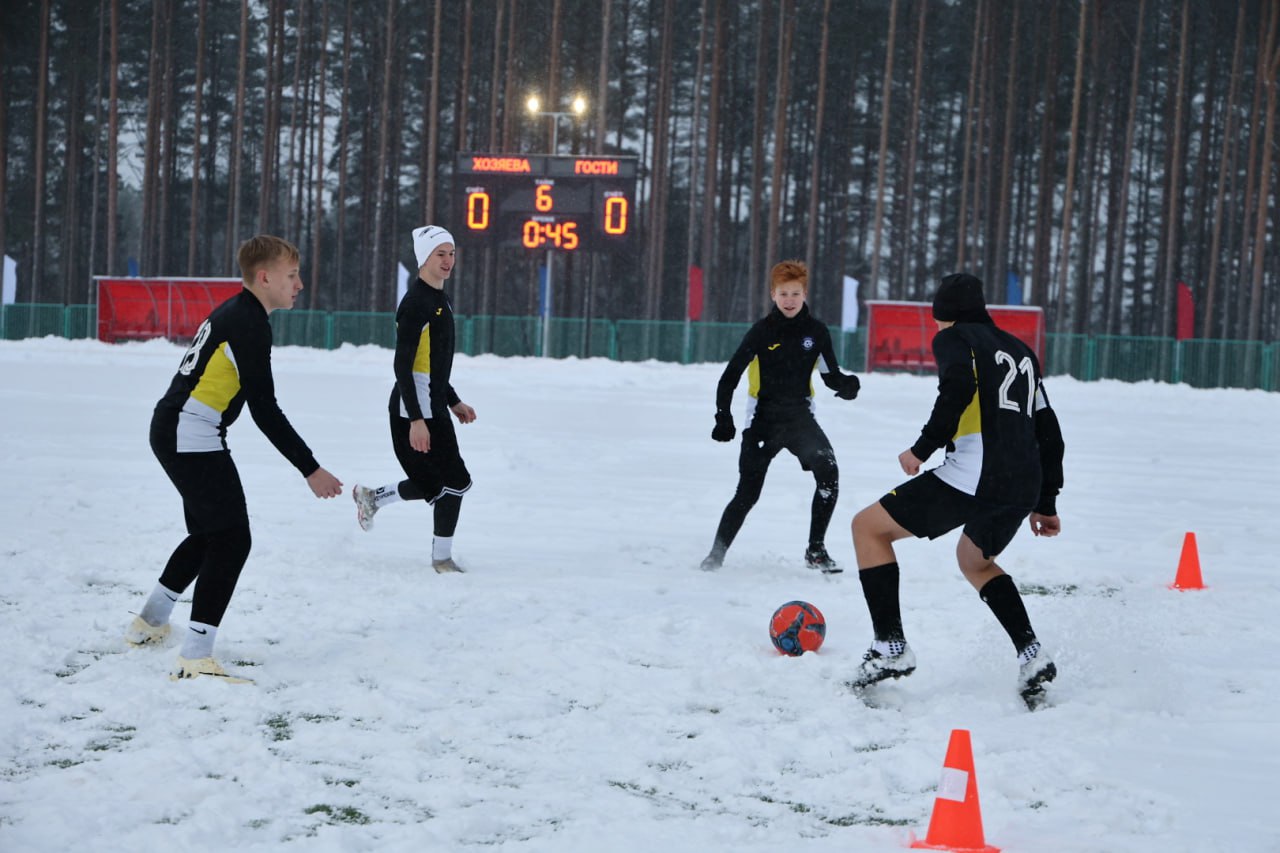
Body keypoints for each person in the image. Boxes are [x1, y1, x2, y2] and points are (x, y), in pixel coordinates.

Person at [125, 235, 344, 683]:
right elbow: (265, 409)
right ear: (263, 278)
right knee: (232, 539)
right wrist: (311, 468)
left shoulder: (242, 313)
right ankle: (195, 656)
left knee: (211, 534)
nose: (300, 284)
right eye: (291, 276)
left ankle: (149, 622)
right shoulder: (247, 322)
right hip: (188, 433)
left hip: (178, 428)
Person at [847, 273, 1065, 709]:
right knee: (975, 561)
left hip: (978, 472)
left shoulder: (955, 338)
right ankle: (1031, 654)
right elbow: (1049, 429)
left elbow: (959, 387)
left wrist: (922, 448)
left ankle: (890, 647)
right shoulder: (1021, 350)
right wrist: (1046, 500)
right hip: (1023, 479)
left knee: (867, 529)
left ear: (945, 316)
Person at [700, 260, 862, 573]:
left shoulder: (816, 332)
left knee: (828, 472)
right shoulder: (761, 332)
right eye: (784, 293)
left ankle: (815, 550)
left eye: (796, 293)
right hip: (763, 420)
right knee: (747, 494)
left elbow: (830, 374)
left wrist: (847, 386)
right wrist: (724, 417)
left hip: (800, 419)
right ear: (773, 294)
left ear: (804, 294)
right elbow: (730, 376)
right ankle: (716, 555)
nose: (790, 300)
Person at [351, 226, 476, 572]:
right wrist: (417, 420)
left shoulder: (439, 298)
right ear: (424, 258)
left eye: (451, 253)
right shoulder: (416, 304)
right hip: (413, 410)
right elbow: (403, 366)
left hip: (432, 404)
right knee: (454, 482)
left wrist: (453, 400)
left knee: (431, 484)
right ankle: (442, 561)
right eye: (440, 254)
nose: (448, 260)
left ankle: (371, 498)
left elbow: (434, 365)